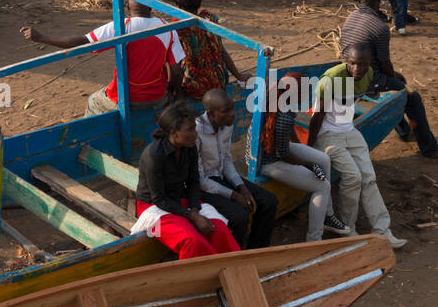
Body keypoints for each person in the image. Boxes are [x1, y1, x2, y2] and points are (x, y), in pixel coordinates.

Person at [21, 0, 184, 116]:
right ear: (151, 7)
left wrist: (41, 37)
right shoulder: (167, 28)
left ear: (126, 6)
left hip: (126, 97)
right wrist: (170, 91)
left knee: (93, 101)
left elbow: (80, 42)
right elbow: (176, 71)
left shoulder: (121, 26)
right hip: (157, 97)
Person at [308, 47, 407, 248]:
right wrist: (310, 149)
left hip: (349, 130)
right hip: (328, 134)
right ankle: (347, 227)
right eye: (353, 63)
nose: (357, 68)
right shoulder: (330, 80)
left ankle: (382, 229)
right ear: (346, 61)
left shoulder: (368, 74)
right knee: (353, 177)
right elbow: (317, 118)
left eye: (362, 63)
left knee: (369, 178)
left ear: (370, 63)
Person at [132, 103, 241, 258]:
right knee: (191, 241)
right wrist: (193, 217)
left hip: (180, 200)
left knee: (219, 230)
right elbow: (159, 198)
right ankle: (202, 278)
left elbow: (193, 182)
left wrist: (195, 209)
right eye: (190, 129)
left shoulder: (189, 148)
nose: (195, 134)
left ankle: (234, 271)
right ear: (174, 133)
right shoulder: (154, 155)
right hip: (153, 207)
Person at [340, 0, 437, 157]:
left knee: (399, 85)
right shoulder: (380, 28)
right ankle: (429, 148)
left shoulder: (350, 18)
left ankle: (404, 131)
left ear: (359, 0)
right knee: (413, 98)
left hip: (349, 76)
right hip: (369, 80)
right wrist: (396, 77)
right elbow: (385, 65)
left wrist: (396, 78)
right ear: (378, 1)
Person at [258, 73, 345, 241]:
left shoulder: (280, 95)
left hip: (274, 147)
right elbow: (283, 155)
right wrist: (308, 164)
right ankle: (314, 239)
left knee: (324, 159)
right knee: (323, 186)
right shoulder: (281, 117)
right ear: (294, 92)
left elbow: (289, 128)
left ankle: (327, 215)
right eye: (304, 92)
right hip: (268, 161)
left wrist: (300, 147)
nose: (308, 95)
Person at [196, 89, 277, 248]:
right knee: (240, 216)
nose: (232, 114)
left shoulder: (225, 125)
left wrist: (242, 188)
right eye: (226, 111)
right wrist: (234, 195)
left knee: (269, 201)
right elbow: (200, 181)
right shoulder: (196, 132)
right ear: (210, 114)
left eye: (232, 108)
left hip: (220, 176)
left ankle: (256, 250)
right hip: (202, 185)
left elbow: (226, 161)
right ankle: (235, 256)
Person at [165, 0, 249, 97]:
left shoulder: (178, 27)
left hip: (194, 86)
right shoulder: (210, 18)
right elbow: (222, 51)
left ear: (178, 4)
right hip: (219, 80)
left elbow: (176, 67)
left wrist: (174, 91)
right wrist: (239, 75)